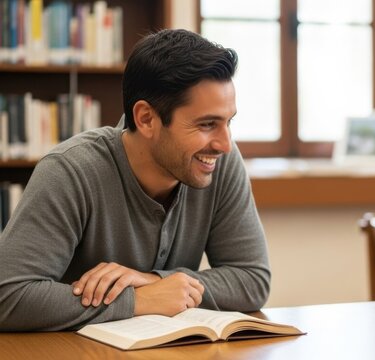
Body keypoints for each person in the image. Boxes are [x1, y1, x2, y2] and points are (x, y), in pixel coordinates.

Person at [0, 29, 270, 331]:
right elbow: (8, 295)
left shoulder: (220, 163)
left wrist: (155, 281)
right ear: (146, 119)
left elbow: (253, 279)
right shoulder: (71, 170)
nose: (225, 144)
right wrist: (140, 300)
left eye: (228, 122)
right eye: (207, 124)